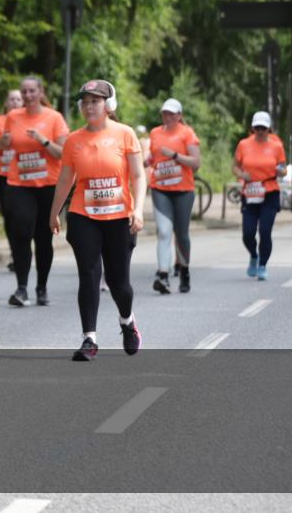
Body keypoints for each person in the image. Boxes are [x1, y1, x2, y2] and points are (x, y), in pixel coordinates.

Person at [49, 79, 144, 362]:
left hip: (119, 218)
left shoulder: (125, 134)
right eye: (86, 102)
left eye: (96, 101)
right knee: (89, 276)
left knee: (119, 283)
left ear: (108, 105)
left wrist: (138, 210)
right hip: (83, 215)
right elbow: (66, 177)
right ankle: (89, 339)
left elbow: (138, 176)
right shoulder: (74, 140)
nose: (90, 106)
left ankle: (127, 321)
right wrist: (54, 211)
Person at [2, 76, 69, 307]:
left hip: (48, 185)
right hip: (19, 184)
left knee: (43, 238)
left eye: (32, 91)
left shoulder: (54, 118)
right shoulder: (12, 117)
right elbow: (3, 145)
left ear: (40, 91)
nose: (28, 96)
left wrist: (42, 140)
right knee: (21, 231)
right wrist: (2, 142)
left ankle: (41, 286)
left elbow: (63, 154)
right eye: (24, 92)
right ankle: (21, 288)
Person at [147, 98, 201, 294]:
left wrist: (175, 156)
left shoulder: (187, 134)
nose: (168, 117)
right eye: (165, 113)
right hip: (160, 188)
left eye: (172, 114)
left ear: (179, 116)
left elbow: (196, 163)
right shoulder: (155, 133)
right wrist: (146, 161)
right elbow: (154, 156)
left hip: (183, 190)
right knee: (163, 232)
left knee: (182, 234)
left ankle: (184, 271)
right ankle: (162, 274)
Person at [232, 111, 286, 281]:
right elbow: (235, 167)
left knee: (264, 231)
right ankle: (253, 256)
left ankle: (262, 264)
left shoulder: (276, 146)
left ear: (269, 128)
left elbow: (284, 169)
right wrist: (242, 175)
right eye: (257, 127)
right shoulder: (243, 144)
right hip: (250, 191)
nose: (260, 131)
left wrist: (280, 171)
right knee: (247, 233)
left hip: (270, 191)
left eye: (263, 127)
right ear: (252, 128)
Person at [0, 89, 24, 272]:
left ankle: (23, 251)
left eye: (18, 99)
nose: (15, 102)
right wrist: (1, 142)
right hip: (3, 175)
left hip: (25, 176)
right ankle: (16, 254)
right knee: (10, 217)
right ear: (6, 103)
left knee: (23, 216)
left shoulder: (29, 122)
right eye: (12, 99)